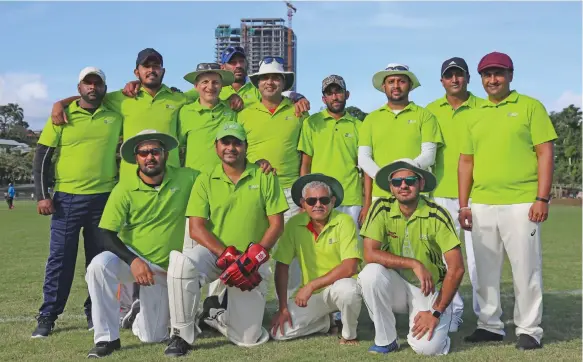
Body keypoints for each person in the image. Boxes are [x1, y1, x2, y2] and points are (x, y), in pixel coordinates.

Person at [459, 51, 557, 350]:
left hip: (522, 203)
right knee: (484, 270)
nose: (492, 79)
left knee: (525, 267)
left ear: (511, 75)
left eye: (499, 73)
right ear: (481, 79)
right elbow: (465, 163)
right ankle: (490, 326)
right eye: (487, 74)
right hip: (483, 203)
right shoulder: (473, 114)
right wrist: (464, 204)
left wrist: (541, 198)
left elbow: (545, 153)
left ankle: (529, 329)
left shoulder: (530, 107)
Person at [164, 122, 289, 357]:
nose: (231, 147)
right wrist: (227, 255)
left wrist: (254, 257)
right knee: (181, 264)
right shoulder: (205, 179)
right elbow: (196, 229)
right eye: (225, 142)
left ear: (246, 146)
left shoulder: (264, 176)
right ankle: (181, 334)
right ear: (216, 146)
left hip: (251, 260)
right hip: (215, 254)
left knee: (248, 339)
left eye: (237, 143)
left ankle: (214, 314)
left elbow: (276, 224)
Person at [85, 130, 198, 358]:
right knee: (98, 265)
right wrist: (134, 260)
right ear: (136, 158)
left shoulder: (188, 178)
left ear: (165, 154)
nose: (150, 157)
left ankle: (136, 313)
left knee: (152, 336)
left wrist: (261, 166)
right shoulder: (124, 188)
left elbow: (221, 177)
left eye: (155, 151)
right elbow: (105, 232)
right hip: (133, 260)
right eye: (143, 152)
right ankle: (107, 338)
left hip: (167, 269)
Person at [31, 67, 123, 338]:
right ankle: (48, 315)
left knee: (99, 261)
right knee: (61, 260)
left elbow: (133, 96)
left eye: (98, 83)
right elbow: (43, 156)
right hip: (67, 200)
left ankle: (93, 312)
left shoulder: (115, 113)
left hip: (104, 198)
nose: (93, 87)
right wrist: (42, 195)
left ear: (104, 87)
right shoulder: (63, 115)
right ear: (79, 87)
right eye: (87, 83)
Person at [358, 159, 465, 355]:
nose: (403, 185)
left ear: (421, 184)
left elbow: (457, 268)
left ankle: (441, 320)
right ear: (391, 187)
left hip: (428, 288)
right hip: (396, 284)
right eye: (397, 182)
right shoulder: (380, 207)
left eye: (410, 180)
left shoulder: (438, 214)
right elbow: (369, 253)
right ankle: (386, 340)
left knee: (428, 349)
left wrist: (435, 312)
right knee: (369, 274)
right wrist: (413, 263)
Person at [237, 56, 308, 297]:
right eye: (265, 78)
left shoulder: (298, 112)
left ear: (283, 82)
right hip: (255, 190)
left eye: (276, 78)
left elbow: (305, 153)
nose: (270, 82)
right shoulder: (244, 114)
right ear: (257, 83)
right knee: (255, 248)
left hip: (289, 191)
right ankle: (252, 304)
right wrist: (254, 163)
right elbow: (236, 152)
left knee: (290, 252)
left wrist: (303, 191)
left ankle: (289, 307)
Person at [425, 57, 487, 331]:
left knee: (478, 260)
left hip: (477, 195)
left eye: (459, 75)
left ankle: (486, 317)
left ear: (467, 78)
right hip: (438, 195)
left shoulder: (484, 108)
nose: (454, 80)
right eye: (449, 75)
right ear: (441, 80)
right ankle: (451, 311)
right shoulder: (429, 111)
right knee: (442, 260)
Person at [270, 173, 362, 345]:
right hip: (313, 295)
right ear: (303, 204)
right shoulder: (294, 224)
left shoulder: (345, 221)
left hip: (339, 287)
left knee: (348, 290)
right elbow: (282, 266)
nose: (318, 204)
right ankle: (325, 322)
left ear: (332, 201)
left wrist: (312, 285)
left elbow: (350, 267)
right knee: (279, 333)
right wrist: (282, 307)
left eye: (323, 200)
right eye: (311, 201)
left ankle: (349, 335)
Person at [358, 63, 443, 209]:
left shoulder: (425, 115)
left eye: (401, 81)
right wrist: (387, 180)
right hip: (381, 195)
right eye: (391, 82)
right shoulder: (371, 119)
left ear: (410, 85)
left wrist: (403, 179)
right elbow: (364, 158)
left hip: (416, 193)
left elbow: (429, 155)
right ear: (383, 86)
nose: (396, 86)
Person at [298, 75, 364, 228]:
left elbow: (365, 170)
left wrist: (366, 205)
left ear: (347, 95)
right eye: (329, 93)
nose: (334, 97)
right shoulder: (311, 123)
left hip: (351, 200)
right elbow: (306, 164)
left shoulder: (359, 126)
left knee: (351, 249)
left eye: (338, 92)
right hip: (318, 199)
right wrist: (305, 199)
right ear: (323, 99)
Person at [184, 46, 310, 115]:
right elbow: (181, 98)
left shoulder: (256, 89)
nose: (238, 65)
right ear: (223, 67)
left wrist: (299, 98)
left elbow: (282, 94)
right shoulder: (214, 87)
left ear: (246, 64)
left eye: (241, 61)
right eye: (232, 62)